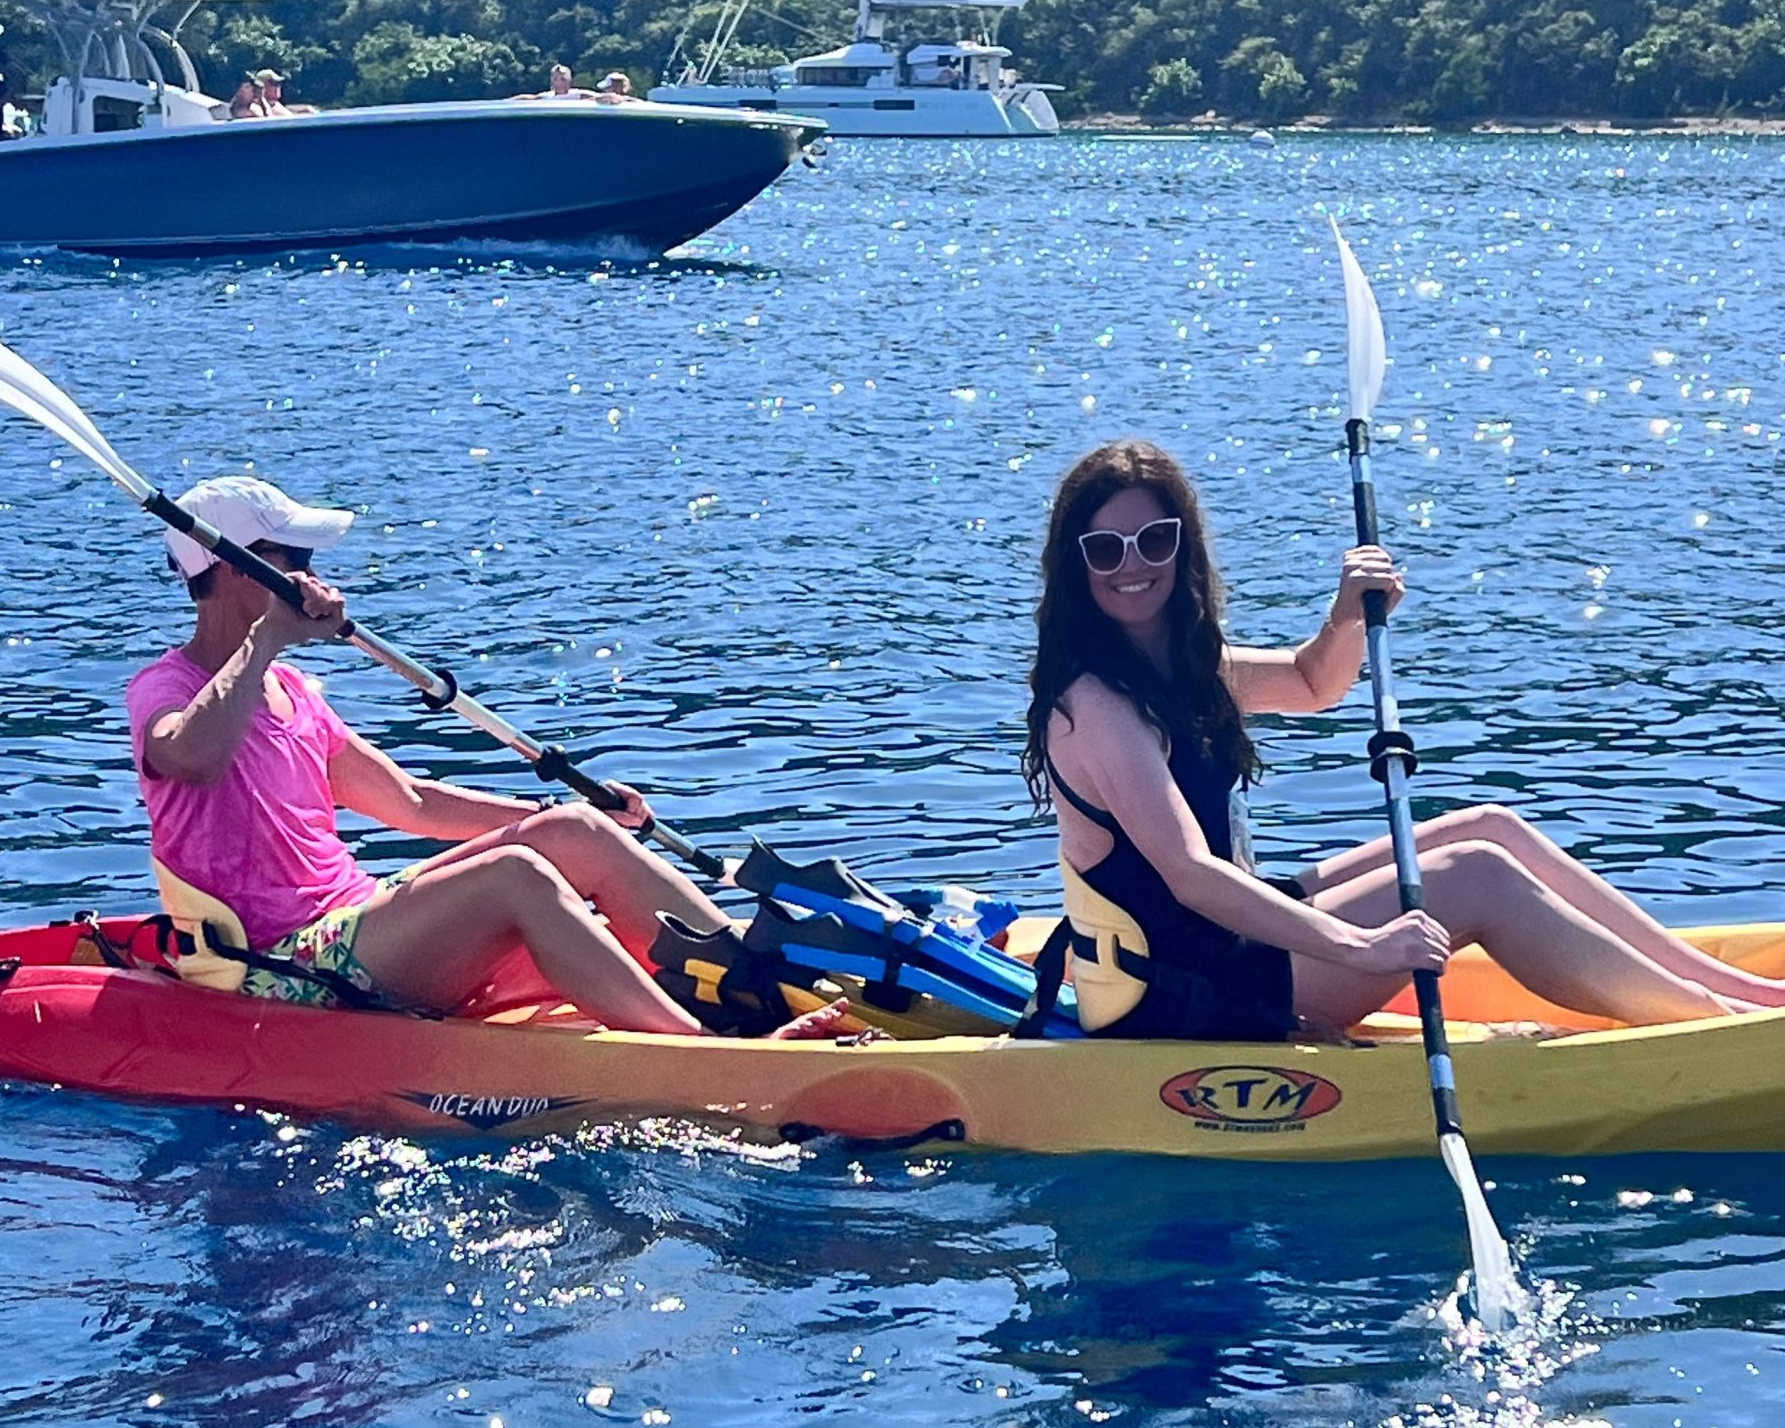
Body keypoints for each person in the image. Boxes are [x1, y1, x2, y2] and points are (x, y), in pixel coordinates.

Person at [1023, 438, 1785, 1039]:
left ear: (1182, 546)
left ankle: (1743, 993)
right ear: (1077, 564)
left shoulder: (1186, 666)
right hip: (1185, 987)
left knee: (1491, 827)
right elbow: (1191, 875)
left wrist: (1347, 614)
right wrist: (1364, 949)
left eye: (1153, 540)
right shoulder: (1096, 705)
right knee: (1474, 876)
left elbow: (1314, 683)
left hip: (1227, 933)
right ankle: (1714, 1029)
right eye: (1106, 549)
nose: (1132, 566)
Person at [127, 475, 853, 1037]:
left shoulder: (293, 691)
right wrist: (269, 638)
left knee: (571, 831)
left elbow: (411, 803)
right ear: (241, 570)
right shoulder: (167, 688)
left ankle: (757, 981)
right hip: (276, 963)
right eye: (297, 559)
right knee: (515, 875)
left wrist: (579, 815)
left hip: (352, 918)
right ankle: (705, 1052)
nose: (314, 572)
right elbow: (190, 758)